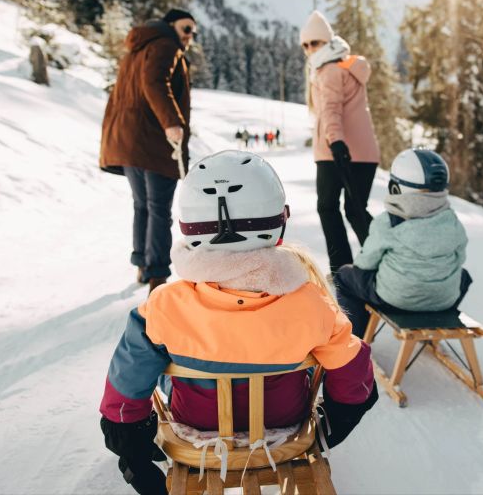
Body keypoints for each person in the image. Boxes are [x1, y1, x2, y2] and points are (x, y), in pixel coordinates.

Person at [99, 151, 378, 494]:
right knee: (309, 361)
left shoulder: (164, 305)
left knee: (159, 362)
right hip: (283, 426)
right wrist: (332, 424)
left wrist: (131, 446)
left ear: (188, 228)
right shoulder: (312, 303)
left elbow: (124, 384)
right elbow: (356, 379)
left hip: (195, 426)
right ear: (280, 221)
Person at [100, 9, 197, 292]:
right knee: (158, 209)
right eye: (186, 28)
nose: (190, 36)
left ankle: (143, 264)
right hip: (154, 141)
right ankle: (157, 275)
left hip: (129, 141)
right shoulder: (166, 45)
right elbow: (155, 83)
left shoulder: (137, 49)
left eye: (193, 31)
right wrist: (171, 123)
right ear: (170, 26)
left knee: (142, 205)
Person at [333, 149, 473, 338]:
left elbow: (365, 263)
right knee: (464, 276)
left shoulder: (389, 221)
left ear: (396, 188)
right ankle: (434, 310)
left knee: (344, 276)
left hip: (395, 299)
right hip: (444, 300)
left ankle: (356, 338)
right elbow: (459, 258)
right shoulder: (452, 220)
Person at [301, 10, 380, 275]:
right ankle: (382, 263)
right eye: (305, 45)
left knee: (328, 207)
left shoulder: (329, 70)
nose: (310, 49)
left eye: (315, 43)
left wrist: (335, 141)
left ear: (327, 42)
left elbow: (331, 110)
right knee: (356, 210)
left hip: (336, 150)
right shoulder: (346, 66)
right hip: (364, 153)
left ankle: (342, 268)